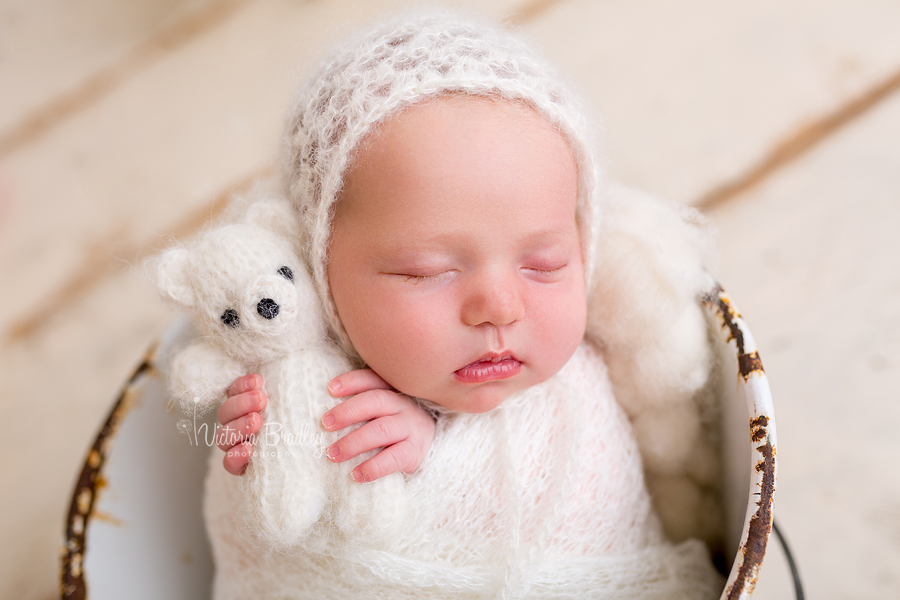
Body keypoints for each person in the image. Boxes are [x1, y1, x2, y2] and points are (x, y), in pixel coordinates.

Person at [199, 9, 724, 598]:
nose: (499, 307)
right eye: (429, 272)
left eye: (544, 264)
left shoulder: (593, 382)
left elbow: (593, 517)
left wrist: (440, 453)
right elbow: (280, 548)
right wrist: (271, 452)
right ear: (318, 269)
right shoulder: (299, 381)